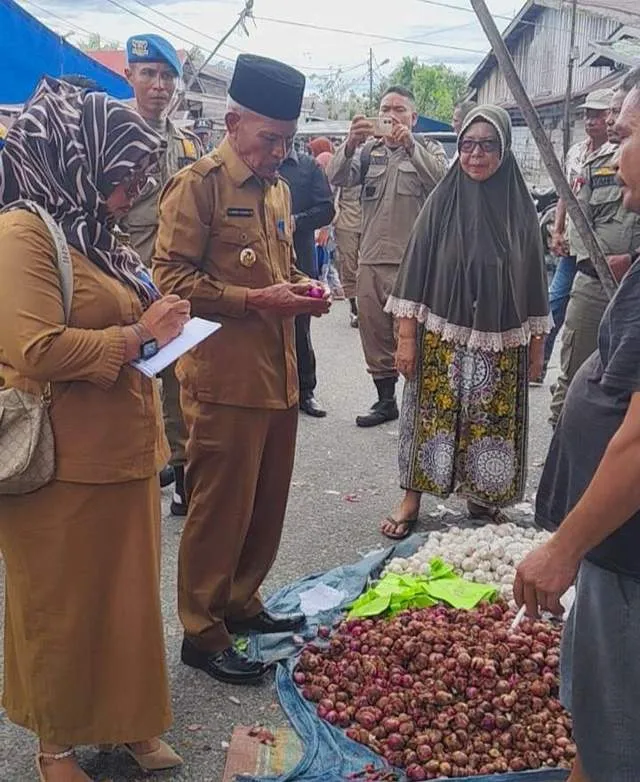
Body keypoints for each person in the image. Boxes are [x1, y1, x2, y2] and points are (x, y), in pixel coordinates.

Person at [0, 77, 187, 782]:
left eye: (141, 172)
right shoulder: (23, 232)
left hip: (124, 451)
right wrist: (140, 333)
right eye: (125, 171)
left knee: (126, 604)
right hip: (60, 463)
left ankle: (130, 723)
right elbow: (35, 348)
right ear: (77, 153)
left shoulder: (94, 235)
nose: (133, 186)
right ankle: (55, 744)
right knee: (62, 610)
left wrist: (160, 324)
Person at [153, 54, 331, 685]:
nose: (279, 152)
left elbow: (274, 270)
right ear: (232, 122)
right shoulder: (198, 185)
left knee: (264, 501)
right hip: (224, 378)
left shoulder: (280, 189)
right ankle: (201, 633)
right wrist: (255, 301)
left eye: (287, 139)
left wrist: (303, 288)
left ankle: (240, 604)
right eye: (268, 139)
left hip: (276, 372)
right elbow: (168, 279)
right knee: (218, 507)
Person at [514, 67, 640, 782]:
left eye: (623, 135)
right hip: (621, 559)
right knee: (601, 733)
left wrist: (563, 549)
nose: (611, 152)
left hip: (629, 563)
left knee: (617, 732)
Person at [382, 106, 549, 539]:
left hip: (500, 340)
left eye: (487, 145)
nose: (476, 155)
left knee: (491, 421)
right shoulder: (443, 199)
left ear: (504, 148)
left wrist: (535, 348)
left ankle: (482, 498)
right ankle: (411, 499)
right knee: (431, 419)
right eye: (468, 145)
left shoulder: (520, 207)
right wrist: (406, 338)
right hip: (441, 336)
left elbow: (533, 278)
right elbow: (414, 268)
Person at [328, 86, 448, 427]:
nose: (391, 115)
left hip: (413, 263)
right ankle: (385, 401)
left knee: (409, 338)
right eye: (385, 108)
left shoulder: (429, 149)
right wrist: (350, 144)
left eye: (399, 109)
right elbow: (335, 177)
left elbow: (442, 183)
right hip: (370, 260)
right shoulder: (368, 153)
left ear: (413, 117)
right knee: (374, 334)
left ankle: (420, 404)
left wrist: (411, 145)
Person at [120, 34, 201, 516]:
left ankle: (181, 474)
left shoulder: (187, 143)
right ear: (129, 75)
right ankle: (129, 470)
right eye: (148, 73)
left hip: (170, 280)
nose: (158, 85)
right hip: (123, 275)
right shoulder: (108, 133)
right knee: (125, 377)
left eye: (167, 76)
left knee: (178, 380)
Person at [549, 83, 640, 426]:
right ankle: (563, 439)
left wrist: (631, 260)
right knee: (578, 377)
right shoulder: (593, 165)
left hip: (632, 279)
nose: (612, 121)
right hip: (593, 284)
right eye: (612, 112)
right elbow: (578, 221)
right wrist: (601, 263)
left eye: (617, 113)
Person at [543, 90, 611, 385]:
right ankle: (541, 362)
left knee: (595, 315)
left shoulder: (618, 153)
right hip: (573, 248)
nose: (591, 120)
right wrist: (557, 230)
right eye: (587, 114)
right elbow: (564, 192)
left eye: (597, 114)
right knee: (555, 303)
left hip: (600, 252)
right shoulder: (576, 152)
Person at [279, 140, 336, 418]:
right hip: (262, 259)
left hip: (299, 256)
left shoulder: (308, 167)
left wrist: (297, 220)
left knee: (300, 327)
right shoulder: (255, 162)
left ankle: (305, 390)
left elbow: (327, 209)